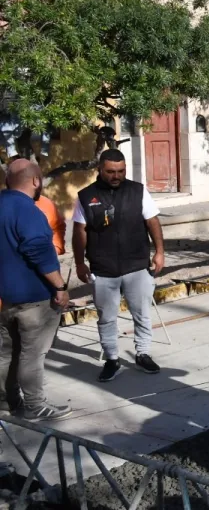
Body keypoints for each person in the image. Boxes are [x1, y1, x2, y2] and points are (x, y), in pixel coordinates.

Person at [72, 150, 165, 382]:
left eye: (121, 171)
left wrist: (160, 252)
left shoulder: (138, 191)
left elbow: (152, 221)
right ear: (100, 170)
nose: (116, 176)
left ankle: (143, 353)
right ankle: (112, 359)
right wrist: (80, 263)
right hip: (103, 269)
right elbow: (79, 231)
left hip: (137, 265)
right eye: (111, 172)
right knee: (106, 318)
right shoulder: (86, 196)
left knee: (142, 313)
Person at [0, 159, 72, 421]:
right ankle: (35, 405)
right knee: (32, 354)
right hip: (35, 298)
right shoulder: (29, 211)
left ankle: (6, 403)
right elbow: (38, 250)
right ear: (35, 181)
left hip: (6, 297)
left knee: (6, 353)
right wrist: (60, 286)